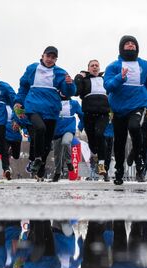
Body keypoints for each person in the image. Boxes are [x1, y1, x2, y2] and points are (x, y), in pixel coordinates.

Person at [14, 46, 76, 181]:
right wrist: (19, 101)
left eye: (53, 58)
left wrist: (70, 84)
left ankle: (41, 164)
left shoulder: (60, 73)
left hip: (51, 110)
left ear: (56, 59)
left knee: (48, 143)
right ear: (42, 56)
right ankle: (37, 159)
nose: (50, 59)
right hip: (33, 107)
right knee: (40, 128)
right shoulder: (32, 69)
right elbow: (23, 86)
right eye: (48, 56)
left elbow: (69, 93)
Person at [104, 35, 147, 185]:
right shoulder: (113, 66)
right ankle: (119, 170)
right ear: (121, 48)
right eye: (127, 44)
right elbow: (108, 86)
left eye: (133, 43)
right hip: (118, 108)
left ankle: (138, 158)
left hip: (138, 104)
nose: (131, 45)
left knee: (134, 127)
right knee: (119, 141)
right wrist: (120, 77)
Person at [75, 60, 111, 177]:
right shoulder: (85, 80)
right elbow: (76, 91)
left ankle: (101, 163)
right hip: (88, 114)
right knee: (92, 142)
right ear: (88, 68)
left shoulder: (105, 80)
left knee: (100, 134)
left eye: (97, 65)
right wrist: (79, 76)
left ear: (99, 68)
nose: (95, 67)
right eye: (92, 66)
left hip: (103, 114)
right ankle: (94, 152)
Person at [52, 98, 83, 182]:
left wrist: (81, 126)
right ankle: (57, 172)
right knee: (57, 154)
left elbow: (82, 114)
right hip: (56, 131)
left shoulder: (74, 103)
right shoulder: (54, 101)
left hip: (69, 129)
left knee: (66, 142)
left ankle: (69, 161)